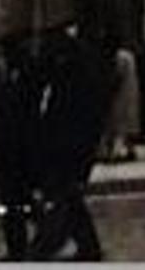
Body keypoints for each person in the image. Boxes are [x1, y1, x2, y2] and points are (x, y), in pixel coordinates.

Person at [28, 19, 114, 263]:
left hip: (68, 146)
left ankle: (49, 243)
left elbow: (72, 115)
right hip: (70, 145)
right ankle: (82, 245)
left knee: (62, 195)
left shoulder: (73, 79)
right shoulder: (74, 74)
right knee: (68, 197)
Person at [0, 31, 42, 262]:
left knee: (14, 203)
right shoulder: (17, 77)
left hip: (17, 151)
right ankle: (31, 242)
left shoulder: (23, 78)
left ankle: (19, 248)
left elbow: (18, 115)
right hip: (15, 150)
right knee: (20, 202)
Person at [101, 31, 139, 162]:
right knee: (123, 124)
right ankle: (123, 150)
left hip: (119, 93)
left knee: (114, 123)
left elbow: (117, 75)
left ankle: (113, 152)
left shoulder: (116, 56)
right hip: (129, 92)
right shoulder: (128, 56)